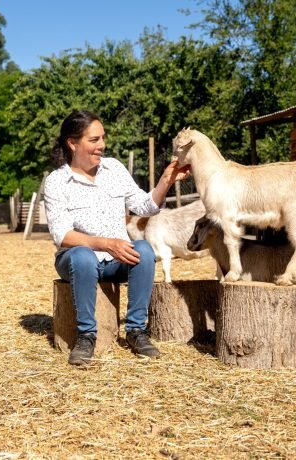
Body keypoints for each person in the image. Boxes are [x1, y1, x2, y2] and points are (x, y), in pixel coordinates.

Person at [43, 109, 191, 366]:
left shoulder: (114, 169)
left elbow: (145, 206)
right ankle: (86, 335)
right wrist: (106, 244)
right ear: (72, 143)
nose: (102, 145)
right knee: (82, 256)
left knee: (144, 250)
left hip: (115, 260)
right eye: (94, 139)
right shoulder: (57, 182)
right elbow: (62, 235)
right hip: (76, 260)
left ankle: (136, 330)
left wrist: (166, 182)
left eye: (103, 137)